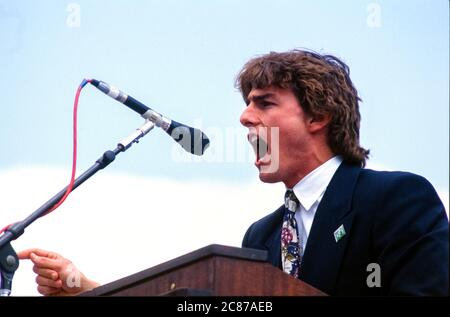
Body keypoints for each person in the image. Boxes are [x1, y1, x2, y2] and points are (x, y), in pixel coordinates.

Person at [18, 49, 449, 296]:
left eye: (264, 103)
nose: (244, 118)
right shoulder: (260, 238)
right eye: (246, 104)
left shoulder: (396, 199)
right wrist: (88, 289)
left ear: (318, 115)